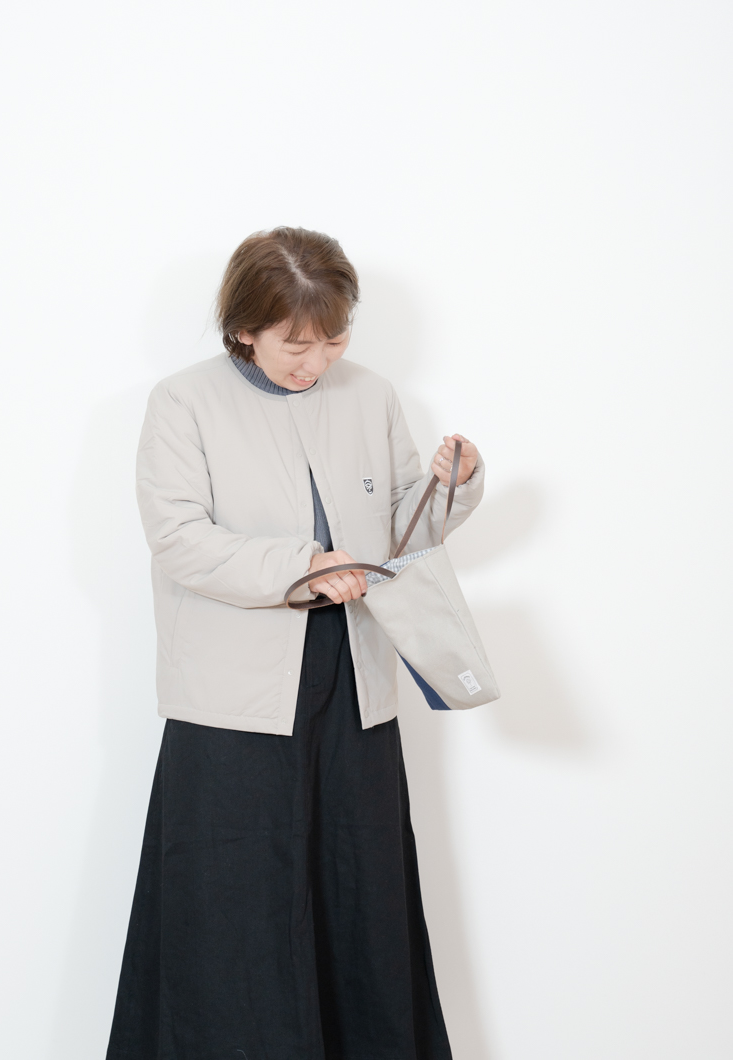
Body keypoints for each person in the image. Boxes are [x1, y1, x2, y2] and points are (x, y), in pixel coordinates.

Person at [106, 226, 485, 1059]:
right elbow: (177, 539)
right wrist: (304, 566)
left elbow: (401, 535)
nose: (316, 361)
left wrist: (450, 488)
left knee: (360, 892)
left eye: (333, 339)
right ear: (244, 328)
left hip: (353, 678)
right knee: (230, 906)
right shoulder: (183, 402)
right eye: (295, 344)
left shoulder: (370, 395)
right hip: (231, 693)